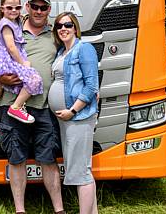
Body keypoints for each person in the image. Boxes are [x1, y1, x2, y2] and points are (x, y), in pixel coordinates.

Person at [0, 0, 64, 214]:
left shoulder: (56, 34)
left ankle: (59, 209)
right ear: (27, 7)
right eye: (34, 7)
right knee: (16, 159)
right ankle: (20, 210)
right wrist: (0, 77)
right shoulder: (12, 29)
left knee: (49, 158)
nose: (38, 11)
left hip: (44, 107)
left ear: (48, 10)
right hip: (11, 105)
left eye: (43, 7)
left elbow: (73, 58)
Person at [49, 12, 99, 214]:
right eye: (59, 26)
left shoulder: (84, 49)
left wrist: (72, 110)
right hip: (67, 120)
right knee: (81, 167)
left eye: (68, 25)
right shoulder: (61, 52)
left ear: (75, 28)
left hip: (78, 117)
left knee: (80, 170)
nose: (63, 28)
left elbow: (91, 86)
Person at [0, 0, 43, 141]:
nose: (14, 11)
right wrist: (23, 63)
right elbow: (11, 47)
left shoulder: (14, 22)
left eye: (17, 8)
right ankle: (16, 107)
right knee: (34, 79)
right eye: (9, 8)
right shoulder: (6, 24)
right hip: (6, 61)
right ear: (1, 9)